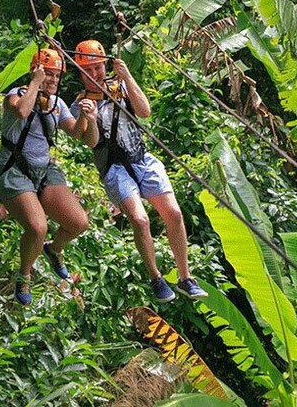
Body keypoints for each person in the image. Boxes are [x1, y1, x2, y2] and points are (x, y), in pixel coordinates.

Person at [70, 39, 208, 302]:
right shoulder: (82, 103)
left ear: (105, 66)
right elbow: (91, 142)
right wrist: (89, 118)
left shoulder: (119, 86)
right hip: (114, 168)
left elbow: (144, 111)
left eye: (99, 68)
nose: (95, 74)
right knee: (140, 219)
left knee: (174, 213)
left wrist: (128, 77)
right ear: (81, 72)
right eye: (90, 70)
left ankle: (185, 277)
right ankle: (156, 278)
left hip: (141, 158)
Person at [0, 48, 99, 305]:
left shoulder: (57, 104)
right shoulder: (16, 95)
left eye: (56, 76)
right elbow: (21, 111)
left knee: (78, 222)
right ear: (36, 72)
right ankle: (24, 275)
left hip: (44, 171)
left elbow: (80, 136)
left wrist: (88, 117)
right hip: (14, 169)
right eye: (48, 75)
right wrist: (35, 82)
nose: (53, 80)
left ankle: (54, 249)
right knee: (37, 226)